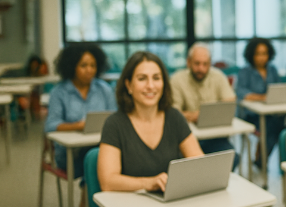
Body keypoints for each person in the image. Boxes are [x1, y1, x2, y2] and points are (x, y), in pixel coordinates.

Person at [97, 51, 204, 192]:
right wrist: (149, 183)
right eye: (142, 79)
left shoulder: (174, 116)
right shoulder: (114, 124)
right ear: (128, 85)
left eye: (156, 78)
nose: (151, 86)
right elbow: (108, 182)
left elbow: (200, 165)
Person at [45, 43, 117, 185]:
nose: (89, 70)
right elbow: (50, 125)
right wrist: (78, 126)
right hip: (70, 155)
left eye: (93, 65)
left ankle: (86, 197)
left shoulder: (104, 89)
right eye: (83, 66)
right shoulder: (59, 92)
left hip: (100, 147)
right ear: (72, 66)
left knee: (100, 156)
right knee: (97, 159)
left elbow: (115, 118)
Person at [170, 43, 238, 168]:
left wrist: (199, 115)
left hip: (216, 138)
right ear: (188, 62)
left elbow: (230, 102)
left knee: (232, 157)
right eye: (197, 64)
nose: (201, 68)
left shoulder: (218, 76)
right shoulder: (177, 80)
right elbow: (173, 112)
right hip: (187, 139)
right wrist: (196, 116)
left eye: (205, 64)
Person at [235, 37, 284, 167]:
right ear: (251, 54)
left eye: (264, 53)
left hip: (271, 113)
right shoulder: (245, 71)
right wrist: (262, 97)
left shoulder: (272, 70)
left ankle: (265, 158)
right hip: (251, 116)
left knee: (283, 123)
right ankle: (261, 160)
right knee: (272, 126)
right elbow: (241, 93)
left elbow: (278, 89)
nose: (262, 57)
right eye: (258, 54)